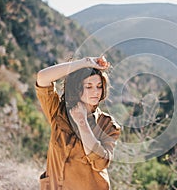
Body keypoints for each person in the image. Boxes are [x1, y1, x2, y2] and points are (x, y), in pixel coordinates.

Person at [36, 56, 121, 190]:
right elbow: (42, 78)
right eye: (89, 86)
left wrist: (82, 122)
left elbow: (100, 163)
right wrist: (84, 63)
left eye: (99, 87)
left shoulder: (108, 125)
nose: (95, 92)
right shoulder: (59, 112)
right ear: (77, 88)